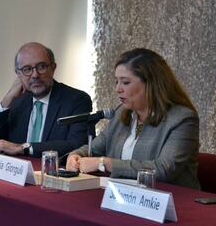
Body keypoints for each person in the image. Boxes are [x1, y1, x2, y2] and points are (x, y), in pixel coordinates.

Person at [66, 48, 200, 189]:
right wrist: (76, 155)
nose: (118, 89)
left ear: (150, 84)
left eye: (125, 82)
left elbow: (164, 170)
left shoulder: (182, 119)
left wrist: (106, 163)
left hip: (171, 201)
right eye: (116, 82)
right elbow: (95, 148)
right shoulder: (121, 113)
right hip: (126, 198)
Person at [0, 42, 92, 157]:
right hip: (16, 171)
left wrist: (24, 148)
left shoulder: (77, 100)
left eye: (41, 66)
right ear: (18, 74)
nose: (35, 75)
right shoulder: (17, 101)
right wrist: (6, 101)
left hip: (54, 172)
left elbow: (77, 144)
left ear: (53, 68)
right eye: (27, 69)